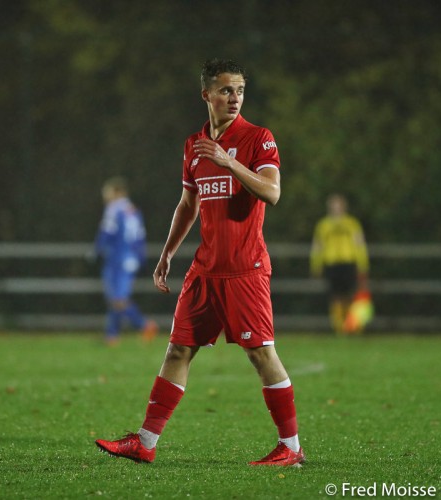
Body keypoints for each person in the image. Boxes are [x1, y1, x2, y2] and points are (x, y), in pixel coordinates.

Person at [95, 59, 305, 467]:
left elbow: (273, 193)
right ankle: (146, 442)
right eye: (226, 90)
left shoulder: (258, 138)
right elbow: (189, 203)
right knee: (177, 350)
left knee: (261, 354)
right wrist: (168, 252)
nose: (234, 98)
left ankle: (292, 448)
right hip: (205, 270)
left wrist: (230, 163)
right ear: (206, 94)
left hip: (245, 270)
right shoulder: (194, 145)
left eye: (240, 90)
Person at [94, 176, 158, 345]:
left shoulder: (114, 208)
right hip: (132, 258)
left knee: (118, 299)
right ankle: (112, 335)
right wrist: (141, 259)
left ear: (116, 192)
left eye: (107, 191)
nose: (105, 195)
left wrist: (96, 250)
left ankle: (144, 325)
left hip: (117, 258)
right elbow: (139, 237)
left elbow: (107, 233)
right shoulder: (134, 210)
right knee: (117, 298)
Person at [310, 193, 369, 334]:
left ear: (344, 206)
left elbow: (359, 244)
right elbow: (318, 246)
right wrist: (315, 265)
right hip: (331, 264)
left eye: (338, 205)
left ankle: (352, 326)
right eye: (333, 205)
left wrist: (363, 265)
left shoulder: (352, 224)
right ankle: (339, 327)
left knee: (350, 295)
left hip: (348, 263)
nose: (336, 208)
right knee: (335, 296)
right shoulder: (323, 225)